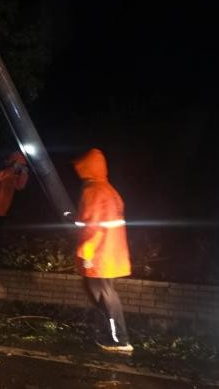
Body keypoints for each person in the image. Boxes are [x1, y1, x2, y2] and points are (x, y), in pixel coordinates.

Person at [73, 148, 133, 353]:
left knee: (105, 294)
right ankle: (107, 333)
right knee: (101, 292)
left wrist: (87, 254)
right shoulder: (109, 189)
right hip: (111, 253)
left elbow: (93, 226)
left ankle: (119, 340)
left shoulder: (93, 191)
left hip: (100, 254)